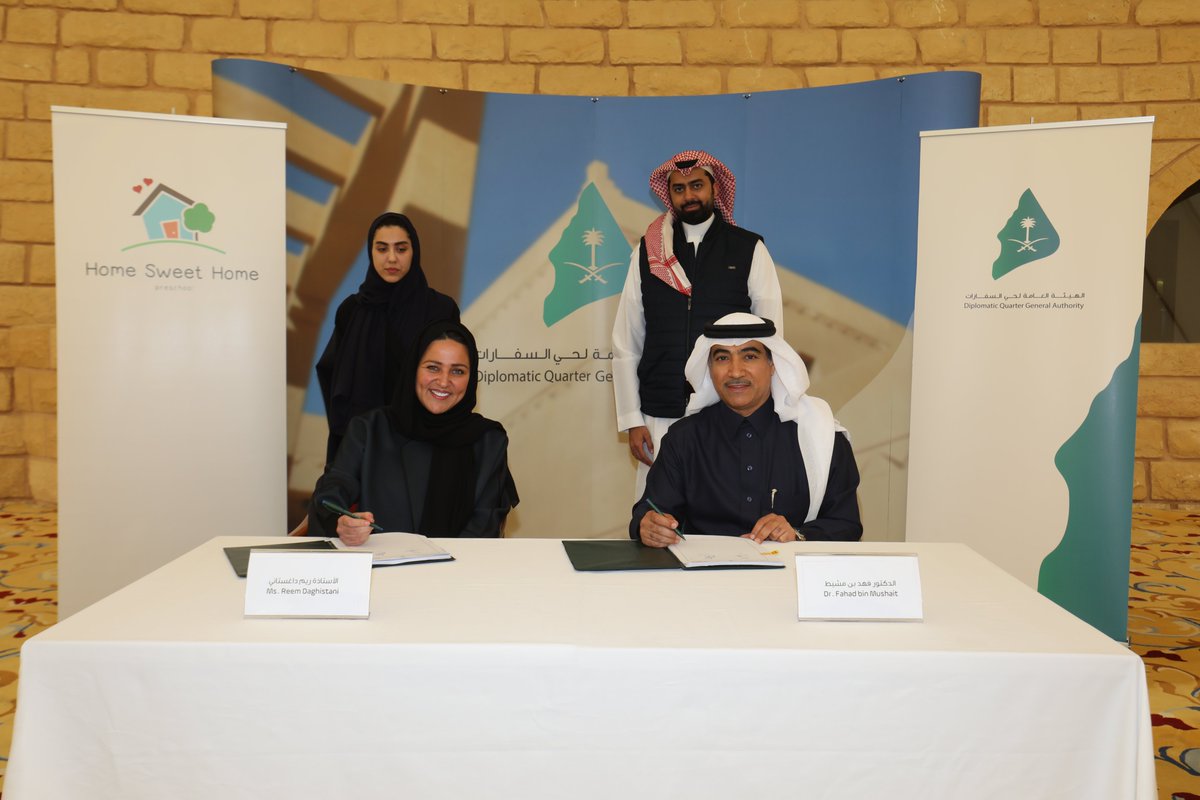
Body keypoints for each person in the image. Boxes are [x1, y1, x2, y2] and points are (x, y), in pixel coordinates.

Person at [612, 150, 784, 499]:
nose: (689, 195)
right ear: (669, 194)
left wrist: (767, 411)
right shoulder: (647, 253)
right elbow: (627, 341)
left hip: (727, 409)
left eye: (696, 185)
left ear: (714, 188)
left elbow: (772, 339)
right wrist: (632, 419)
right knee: (659, 514)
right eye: (679, 189)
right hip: (660, 414)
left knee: (724, 509)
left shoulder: (748, 249)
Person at [632, 312, 861, 546]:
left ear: (772, 364)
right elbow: (651, 511)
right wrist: (648, 525)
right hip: (707, 569)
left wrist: (797, 533)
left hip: (788, 569)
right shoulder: (684, 438)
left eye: (749, 356)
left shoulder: (820, 435)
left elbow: (846, 523)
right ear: (709, 367)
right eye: (722, 358)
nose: (735, 372)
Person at [310, 320, 518, 542]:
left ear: (471, 377)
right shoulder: (370, 428)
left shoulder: (489, 441)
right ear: (413, 368)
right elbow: (332, 491)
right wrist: (341, 522)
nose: (444, 381)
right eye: (433, 367)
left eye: (457, 371)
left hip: (461, 562)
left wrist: (444, 561)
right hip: (382, 561)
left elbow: (485, 525)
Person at [315, 212, 460, 467]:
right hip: (362, 450)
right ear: (371, 252)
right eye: (382, 249)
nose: (392, 258)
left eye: (401, 249)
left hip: (424, 447)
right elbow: (333, 376)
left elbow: (453, 376)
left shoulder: (440, 310)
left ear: (414, 252)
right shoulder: (351, 311)